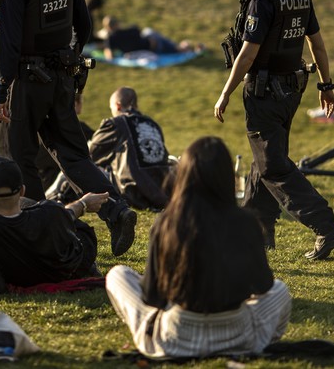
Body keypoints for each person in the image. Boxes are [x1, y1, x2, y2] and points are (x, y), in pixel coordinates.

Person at [0, 0, 137, 257]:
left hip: (25, 81)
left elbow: (9, 39)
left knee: (17, 158)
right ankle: (116, 211)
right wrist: (71, 68)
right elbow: (83, 23)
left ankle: (37, 234)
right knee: (74, 156)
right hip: (62, 76)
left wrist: (1, 91)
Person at [214, 0, 334, 260]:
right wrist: (326, 85)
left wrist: (225, 93)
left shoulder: (262, 1)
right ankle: (257, 231)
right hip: (291, 92)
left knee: (273, 166)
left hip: (264, 94)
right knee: (264, 161)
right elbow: (316, 44)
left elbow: (246, 55)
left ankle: (325, 228)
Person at [106, 136, 292, 359]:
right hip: (237, 335)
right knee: (280, 290)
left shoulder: (167, 223)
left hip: (175, 337)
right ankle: (255, 341)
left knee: (118, 275)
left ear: (184, 175)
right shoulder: (246, 222)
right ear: (226, 177)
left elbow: (151, 296)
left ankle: (150, 333)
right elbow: (263, 286)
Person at [0, 157, 106, 294]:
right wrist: (84, 203)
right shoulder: (50, 212)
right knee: (66, 222)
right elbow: (69, 213)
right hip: (63, 271)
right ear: (22, 191)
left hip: (14, 275)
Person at [88, 87, 171, 210]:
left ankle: (55, 200)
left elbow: (89, 152)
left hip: (134, 194)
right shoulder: (153, 124)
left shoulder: (116, 123)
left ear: (117, 106)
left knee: (79, 166)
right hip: (163, 192)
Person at [101, 16, 202, 60]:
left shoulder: (111, 39)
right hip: (153, 45)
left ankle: (186, 46)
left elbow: (109, 56)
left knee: (150, 33)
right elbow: (137, 31)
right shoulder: (129, 30)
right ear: (117, 24)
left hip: (151, 45)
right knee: (175, 48)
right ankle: (190, 48)